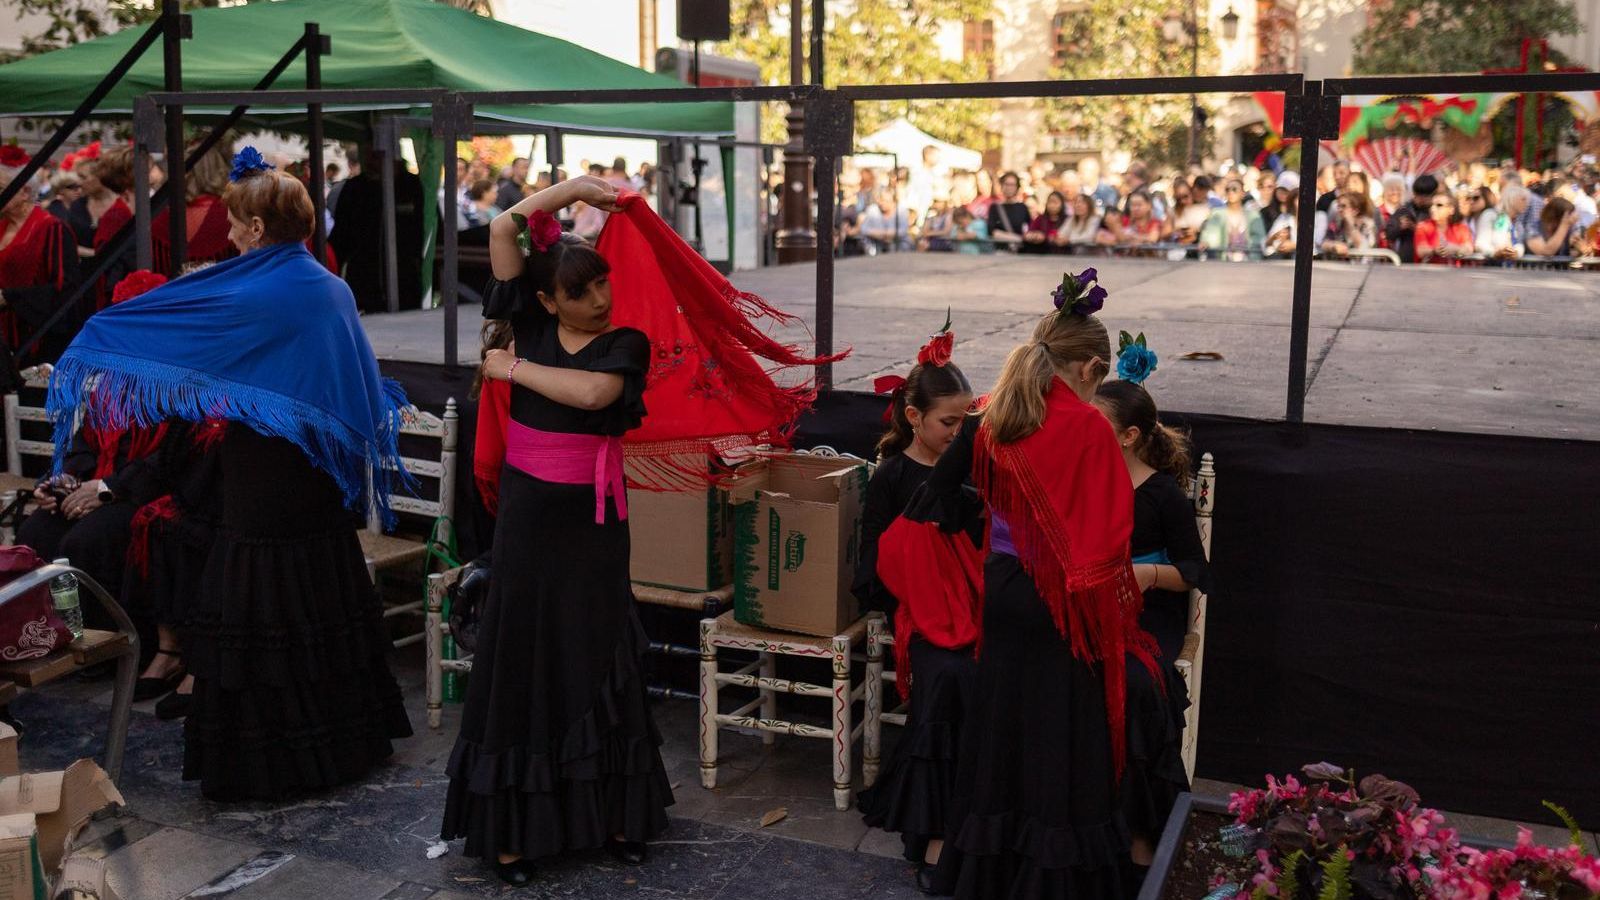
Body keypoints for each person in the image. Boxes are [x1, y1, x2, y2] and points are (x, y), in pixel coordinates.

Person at [50, 148, 414, 800]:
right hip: (313, 471)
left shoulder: (257, 289)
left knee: (262, 594)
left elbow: (189, 336)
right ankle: (343, 744)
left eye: (234, 223)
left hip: (266, 469)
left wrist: (105, 334)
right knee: (314, 596)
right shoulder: (326, 283)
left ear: (255, 228)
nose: (227, 235)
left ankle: (274, 762)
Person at [884, 270, 1174, 898]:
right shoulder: (1091, 429)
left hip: (1005, 591)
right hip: (1065, 604)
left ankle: (990, 871)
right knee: (1064, 735)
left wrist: (996, 524)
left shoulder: (995, 416)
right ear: (1092, 367)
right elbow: (1108, 536)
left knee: (1004, 729)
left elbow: (933, 499)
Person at [440, 176, 673, 887]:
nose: (600, 299)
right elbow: (505, 230)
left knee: (596, 651)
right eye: (581, 291)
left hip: (593, 528)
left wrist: (511, 367)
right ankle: (516, 832)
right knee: (525, 656)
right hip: (526, 522)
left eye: (601, 283)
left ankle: (616, 815)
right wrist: (571, 189)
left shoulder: (623, 344)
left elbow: (595, 394)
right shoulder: (532, 318)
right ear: (546, 301)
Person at [855, 325, 979, 879]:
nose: (958, 434)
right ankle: (932, 831)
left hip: (976, 604)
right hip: (920, 613)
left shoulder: (972, 469)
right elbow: (874, 568)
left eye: (964, 423)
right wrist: (924, 579)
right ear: (914, 418)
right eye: (948, 423)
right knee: (949, 674)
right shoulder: (893, 477)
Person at [1091, 374, 1203, 875]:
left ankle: (1140, 835)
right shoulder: (1080, 481)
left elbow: (1195, 574)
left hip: (1148, 611)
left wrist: (1148, 574)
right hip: (1088, 605)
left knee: (1134, 683)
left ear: (1128, 435)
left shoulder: (1162, 496)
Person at [0, 150, 80, 359]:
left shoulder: (50, 228)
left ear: (25, 192)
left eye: (1, 189)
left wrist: (10, 297)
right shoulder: (2, 226)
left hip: (33, 338)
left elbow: (64, 288)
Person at [329, 149, 426, 312]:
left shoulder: (411, 185)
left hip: (405, 281)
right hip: (364, 281)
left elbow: (424, 229)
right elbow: (340, 236)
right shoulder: (354, 188)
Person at [151, 141, 237, 276]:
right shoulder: (230, 214)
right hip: (216, 293)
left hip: (166, 293)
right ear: (218, 171)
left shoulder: (159, 212)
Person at [1200, 176, 1266, 259]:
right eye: (1227, 189)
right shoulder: (1217, 213)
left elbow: (1259, 238)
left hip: (1248, 263)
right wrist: (1206, 242)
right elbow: (1210, 234)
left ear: (1243, 193)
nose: (1230, 192)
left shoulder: (1253, 215)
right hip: (1223, 262)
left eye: (1234, 189)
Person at [1385, 173, 1437, 262]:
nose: (1421, 199)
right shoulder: (1404, 210)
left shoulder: (1436, 211)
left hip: (1431, 259)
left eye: (1425, 196)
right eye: (1418, 195)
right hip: (1407, 259)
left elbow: (1440, 234)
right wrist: (1400, 227)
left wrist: (1416, 229)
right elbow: (1389, 234)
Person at [1320, 191, 1377, 258]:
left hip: (1363, 266)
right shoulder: (1336, 223)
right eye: (1338, 206)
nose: (1339, 209)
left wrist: (1350, 225)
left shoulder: (1367, 225)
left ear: (1355, 210)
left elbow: (1365, 247)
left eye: (1343, 206)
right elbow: (1324, 243)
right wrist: (1333, 246)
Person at [986, 171, 1030, 248]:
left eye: (1012, 185)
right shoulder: (994, 207)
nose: (1009, 188)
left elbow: (1027, 228)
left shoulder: (1023, 207)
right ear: (1001, 186)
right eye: (1006, 184)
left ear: (1017, 187)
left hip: (1019, 251)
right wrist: (1017, 238)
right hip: (1001, 251)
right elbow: (992, 231)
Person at [1475, 187, 1519, 260]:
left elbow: (1503, 240)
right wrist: (1494, 252)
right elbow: (1481, 243)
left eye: (1476, 198)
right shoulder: (1495, 215)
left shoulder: (1502, 217)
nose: (1471, 201)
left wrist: (1514, 252)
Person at [1263, 182, 1299, 259]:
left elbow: (1317, 245)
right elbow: (1267, 243)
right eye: (1297, 199)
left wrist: (1294, 245)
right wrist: (1276, 237)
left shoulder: (1318, 217)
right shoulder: (1284, 218)